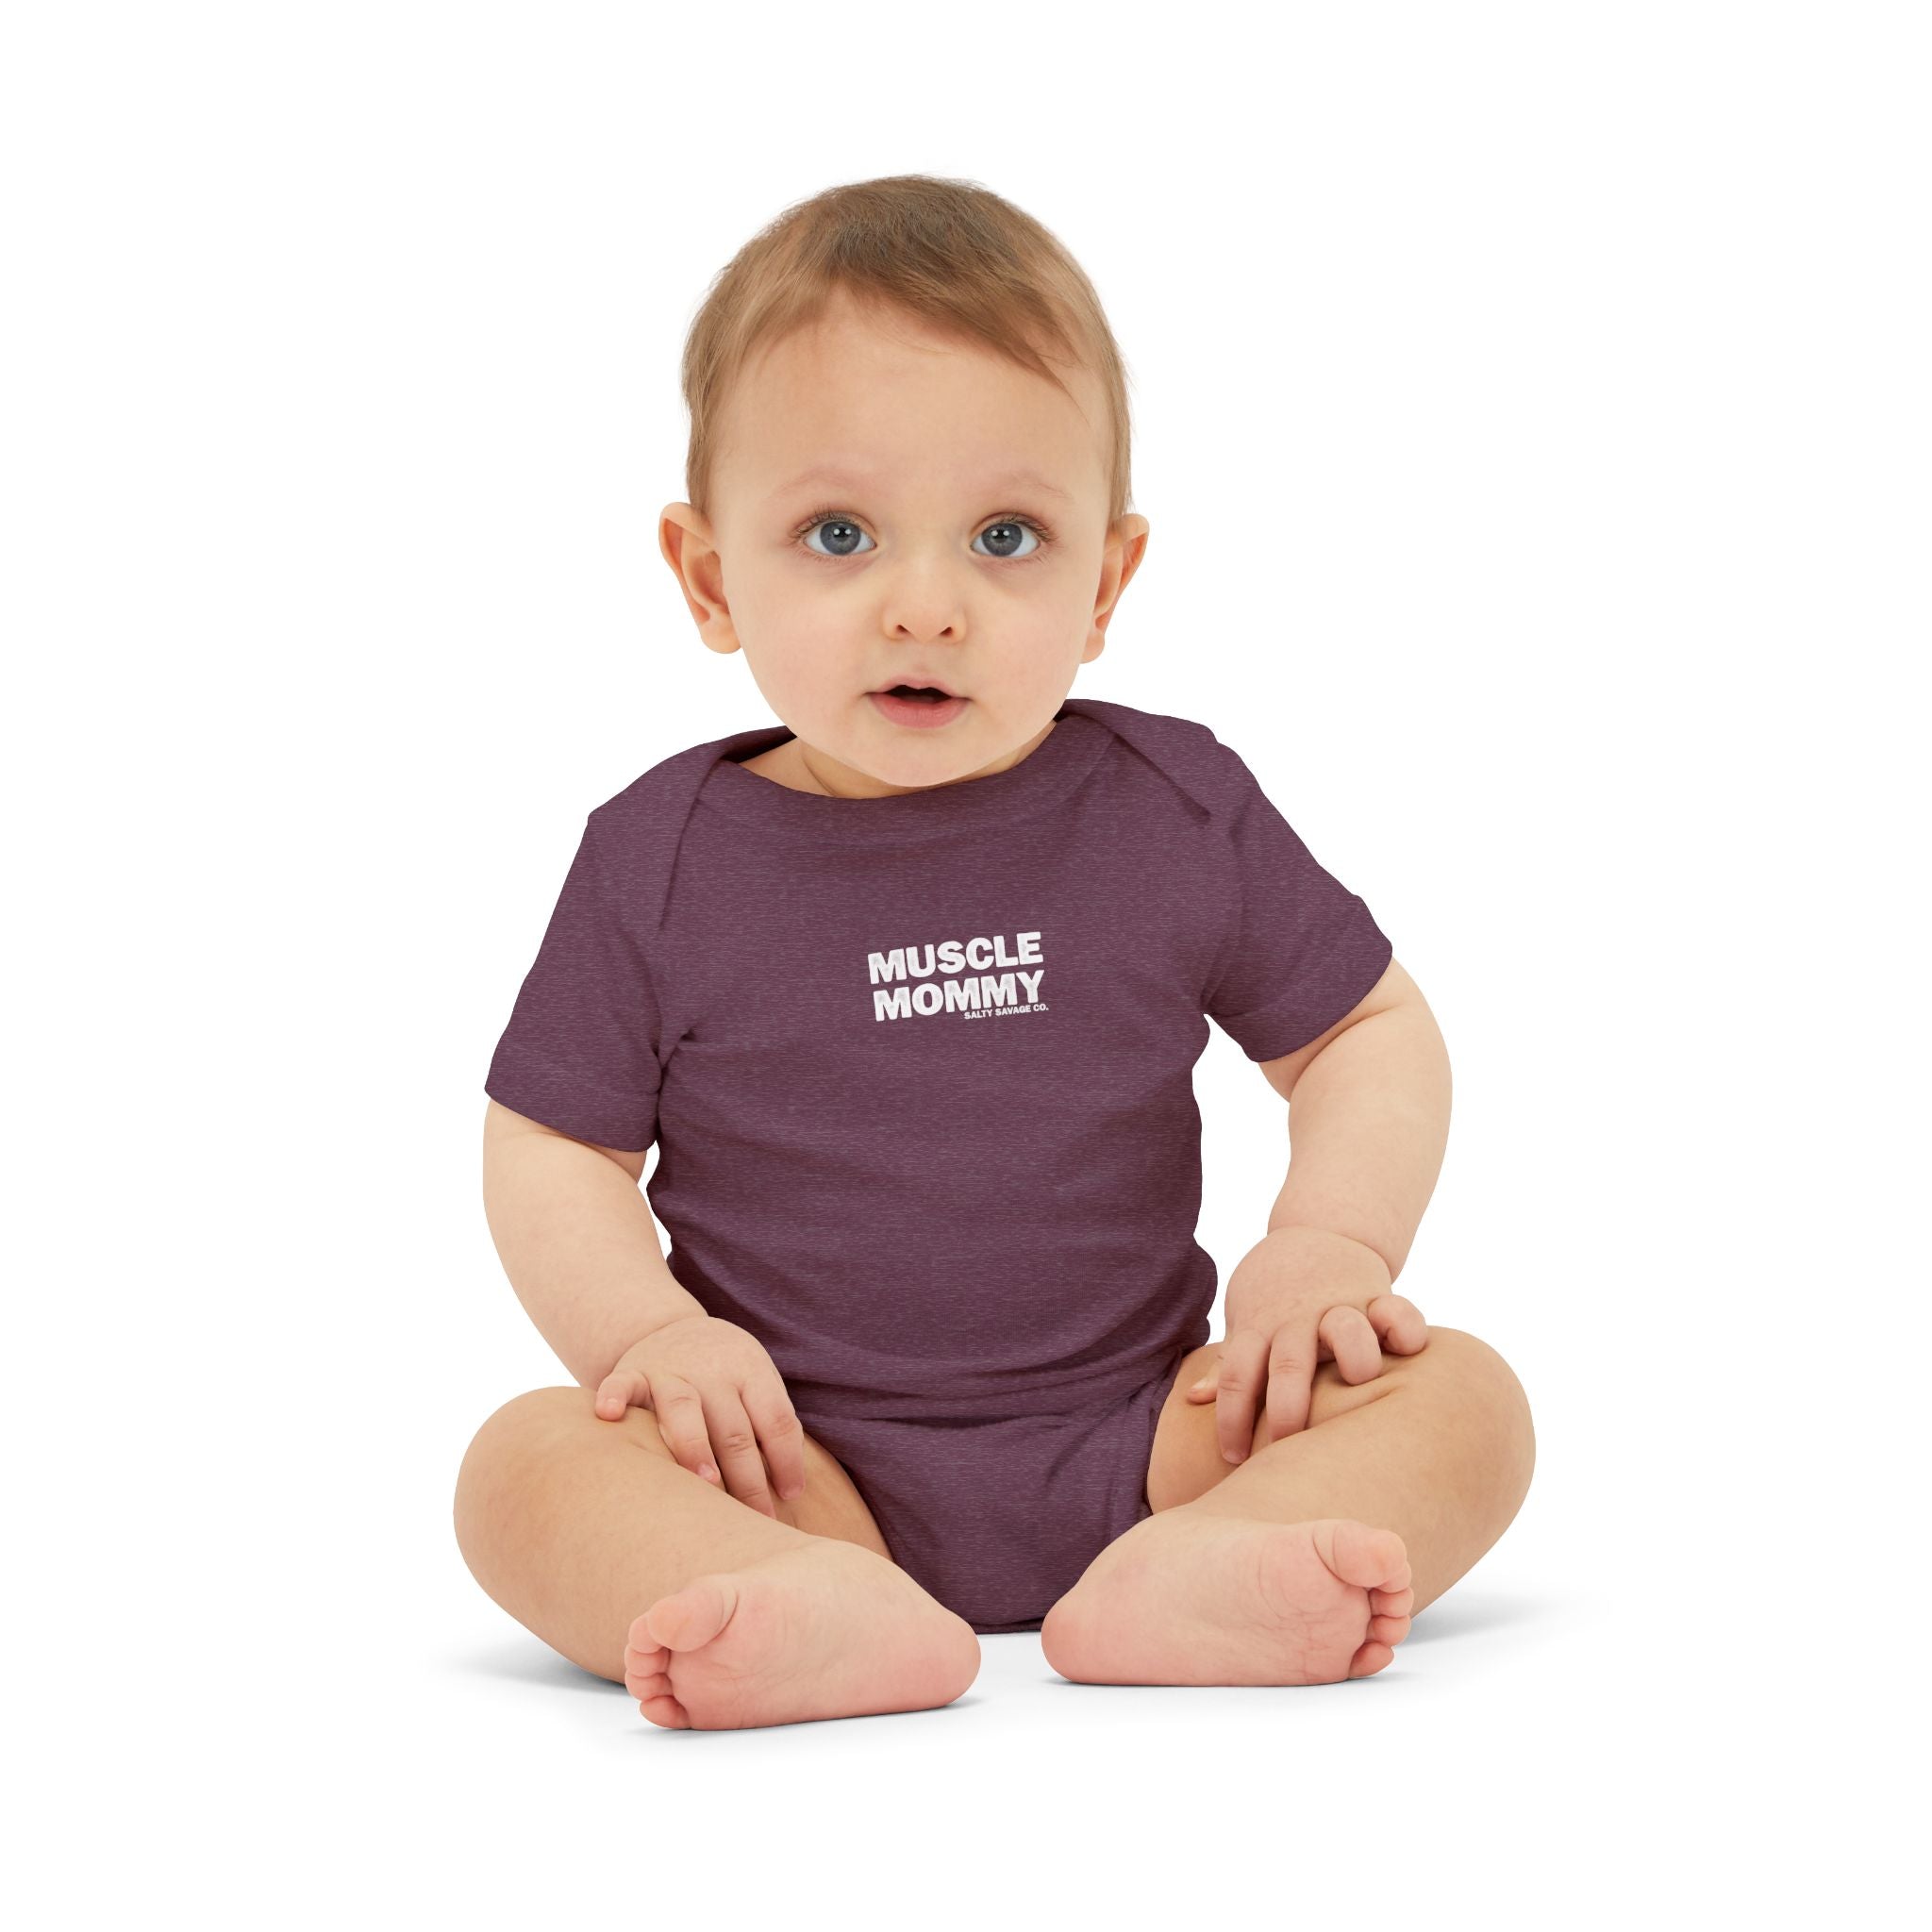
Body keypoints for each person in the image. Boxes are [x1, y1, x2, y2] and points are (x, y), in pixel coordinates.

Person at [453, 174, 1535, 1731]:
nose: (927, 608)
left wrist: (1330, 1250)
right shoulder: (660, 857)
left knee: (1466, 1397)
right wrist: (653, 1340)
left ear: (1104, 584)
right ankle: (810, 1597)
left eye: (1006, 537)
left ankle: (1207, 1566)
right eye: (838, 535)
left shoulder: (1172, 807)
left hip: (1157, 1436)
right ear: (709, 578)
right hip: (786, 1462)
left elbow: (1365, 1032)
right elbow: (553, 1145)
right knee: (522, 1465)